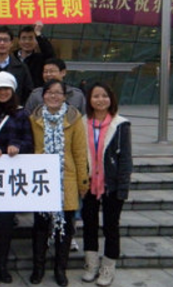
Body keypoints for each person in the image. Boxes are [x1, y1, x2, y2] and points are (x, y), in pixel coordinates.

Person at [29, 79, 89, 287]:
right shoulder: (34, 118)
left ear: (64, 97)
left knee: (65, 227)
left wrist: (83, 181)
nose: (53, 96)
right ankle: (38, 268)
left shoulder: (74, 118)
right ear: (43, 95)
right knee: (40, 225)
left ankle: (60, 269)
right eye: (49, 92)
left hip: (67, 179)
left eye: (58, 93)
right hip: (41, 178)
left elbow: (80, 152)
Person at [0, 71, 33, 285]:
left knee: (6, 223)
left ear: (13, 91)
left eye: (6, 89)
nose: (3, 93)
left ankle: (3, 265)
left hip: (10, 176)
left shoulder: (21, 113)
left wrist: (17, 146)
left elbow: (29, 141)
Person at [81, 83, 132, 286]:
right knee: (89, 225)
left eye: (104, 96)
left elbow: (125, 159)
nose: (100, 100)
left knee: (111, 227)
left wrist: (123, 187)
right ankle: (91, 265)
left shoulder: (120, 125)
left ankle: (108, 268)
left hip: (111, 185)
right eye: (96, 96)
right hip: (88, 184)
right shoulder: (82, 123)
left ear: (111, 99)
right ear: (89, 100)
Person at [0, 26, 34, 104]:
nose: (2, 43)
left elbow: (28, 92)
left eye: (5, 40)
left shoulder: (21, 68)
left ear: (11, 43)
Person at [14, 22, 55, 88]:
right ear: (19, 41)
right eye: (23, 38)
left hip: (34, 92)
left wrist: (38, 33)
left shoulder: (40, 59)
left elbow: (50, 54)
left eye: (31, 38)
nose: (27, 41)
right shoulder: (11, 58)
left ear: (36, 41)